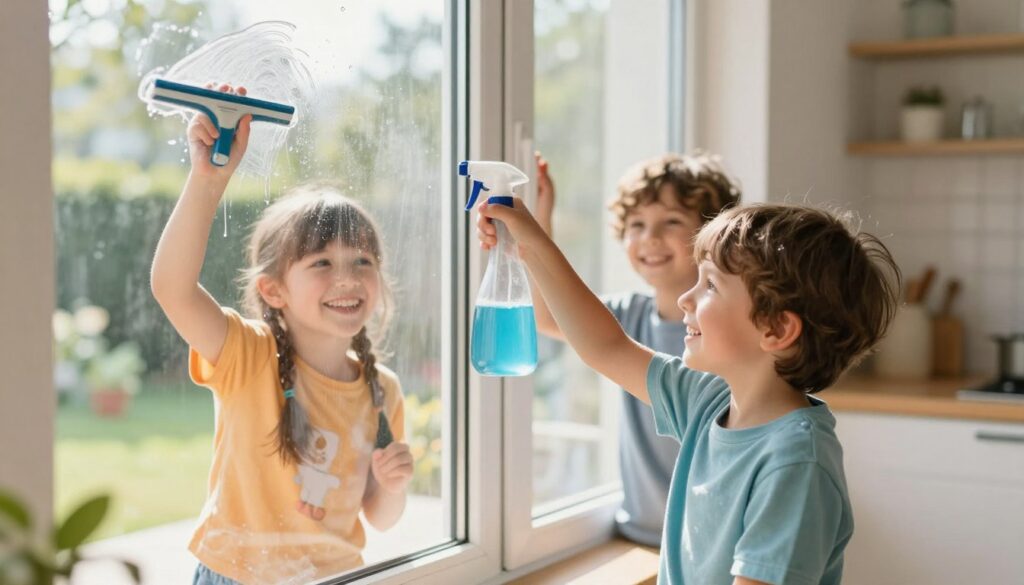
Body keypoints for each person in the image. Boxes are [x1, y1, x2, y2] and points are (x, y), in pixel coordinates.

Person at [478, 197, 900, 584]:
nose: (684, 298)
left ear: (776, 328)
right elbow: (605, 346)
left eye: (711, 286)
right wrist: (528, 242)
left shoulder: (796, 463)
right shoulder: (710, 401)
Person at [151, 84, 413, 585]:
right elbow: (172, 288)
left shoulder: (383, 390)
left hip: (334, 578)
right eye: (322, 262)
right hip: (239, 575)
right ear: (273, 290)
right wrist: (208, 180)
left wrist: (394, 485)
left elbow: (379, 516)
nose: (348, 277)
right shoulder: (248, 356)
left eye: (363, 260)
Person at [531, 151, 741, 546]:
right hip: (639, 536)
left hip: (710, 546)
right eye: (637, 224)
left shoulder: (731, 328)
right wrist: (539, 219)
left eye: (672, 222)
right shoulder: (627, 316)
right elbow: (547, 317)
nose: (650, 238)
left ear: (712, 234)